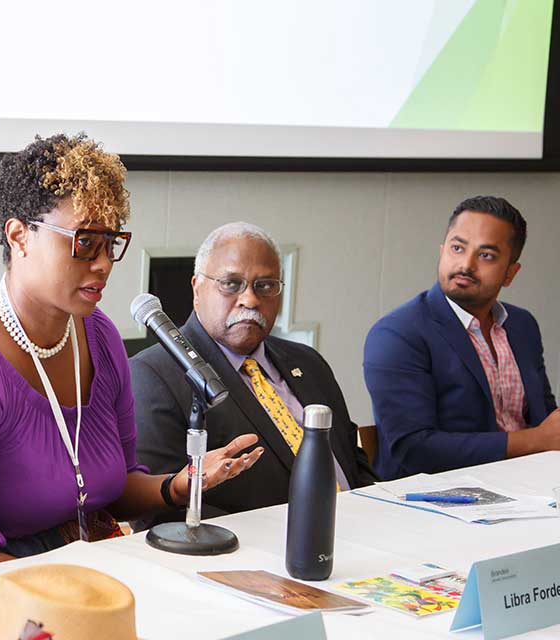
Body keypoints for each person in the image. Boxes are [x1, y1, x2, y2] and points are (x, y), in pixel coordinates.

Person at [0, 134, 264, 580]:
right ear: (19, 236)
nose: (103, 263)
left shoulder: (98, 335)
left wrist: (181, 484)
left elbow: (113, 486)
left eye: (111, 243)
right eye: (85, 242)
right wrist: (87, 598)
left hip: (72, 566)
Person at [132, 222, 376, 523]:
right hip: (253, 556)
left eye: (265, 285)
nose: (250, 300)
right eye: (231, 284)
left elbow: (352, 461)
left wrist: (371, 519)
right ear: (197, 288)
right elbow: (161, 513)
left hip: (361, 537)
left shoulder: (309, 362)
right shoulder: (154, 375)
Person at [364, 196, 558, 480]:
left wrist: (546, 437)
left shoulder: (522, 325)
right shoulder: (397, 333)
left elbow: (546, 420)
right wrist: (536, 441)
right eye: (457, 248)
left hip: (528, 487)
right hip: (435, 500)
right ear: (442, 251)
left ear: (510, 273)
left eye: (486, 255)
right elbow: (414, 449)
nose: (466, 264)